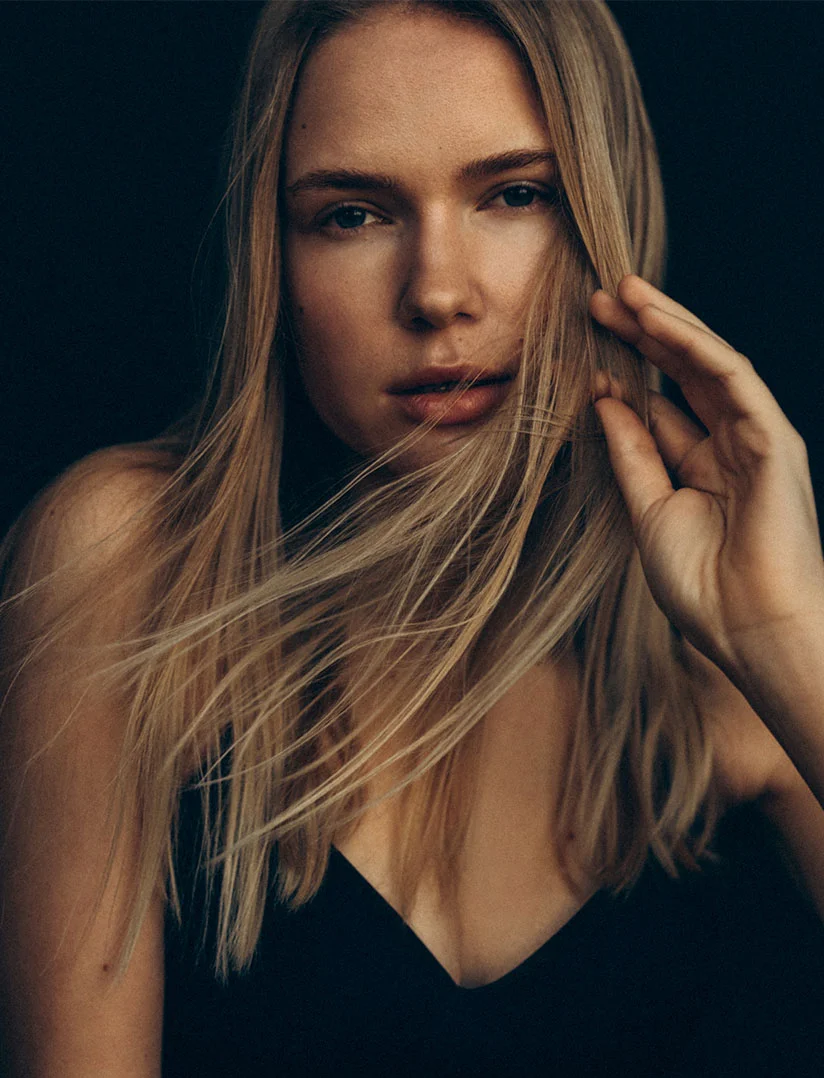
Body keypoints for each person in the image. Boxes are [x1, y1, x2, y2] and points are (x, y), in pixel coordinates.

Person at [1, 1, 823, 1074]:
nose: (437, 292)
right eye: (351, 215)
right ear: (273, 261)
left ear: (601, 223)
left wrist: (786, 639)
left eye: (514, 195)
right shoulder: (135, 562)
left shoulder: (722, 685)